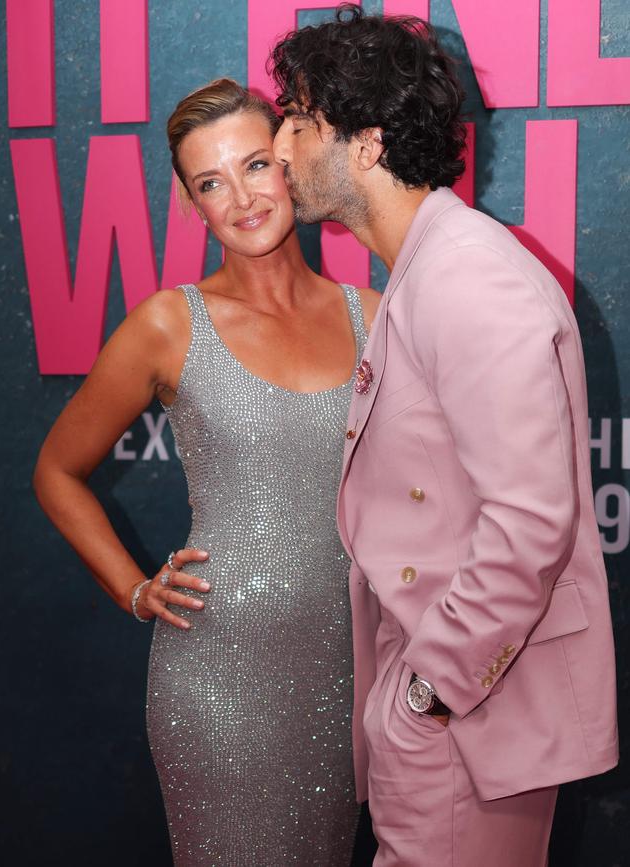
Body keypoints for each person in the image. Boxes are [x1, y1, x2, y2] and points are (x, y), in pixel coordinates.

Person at [270, 6, 619, 866]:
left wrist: (427, 695)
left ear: (370, 143)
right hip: (457, 716)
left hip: (468, 721)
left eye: (302, 122)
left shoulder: (465, 276)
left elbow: (531, 522)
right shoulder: (430, 269)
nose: (280, 148)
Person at [33, 77, 381, 866]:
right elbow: (57, 469)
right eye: (211, 183)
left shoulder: (373, 314)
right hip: (219, 684)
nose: (243, 198)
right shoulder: (168, 323)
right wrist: (134, 586)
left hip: (349, 679)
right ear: (193, 205)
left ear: (290, 163)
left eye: (256, 165)